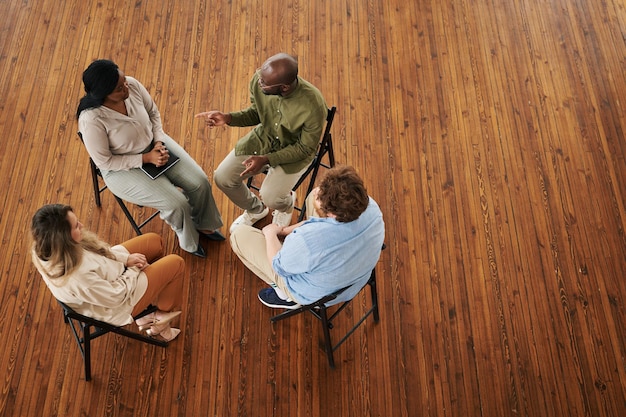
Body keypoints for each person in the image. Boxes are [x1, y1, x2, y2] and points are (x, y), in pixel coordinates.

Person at [77, 59, 223, 258]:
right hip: (122, 167)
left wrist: (158, 143)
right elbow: (104, 162)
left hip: (154, 144)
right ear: (104, 94)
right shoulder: (92, 120)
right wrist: (145, 158)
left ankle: (204, 224)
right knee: (176, 203)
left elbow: (153, 114)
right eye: (119, 88)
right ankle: (189, 241)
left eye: (124, 81)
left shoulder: (132, 85)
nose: (126, 86)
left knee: (200, 182)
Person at [195, 52, 327, 233]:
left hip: (294, 152)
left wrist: (266, 159)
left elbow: (304, 148)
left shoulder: (313, 105)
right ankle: (256, 209)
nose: (259, 82)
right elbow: (257, 113)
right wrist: (228, 118)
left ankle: (285, 205)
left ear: (284, 87)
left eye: (264, 82)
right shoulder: (260, 81)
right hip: (264, 138)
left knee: (271, 196)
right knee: (223, 178)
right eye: (260, 77)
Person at [229, 165, 385, 309]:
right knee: (311, 198)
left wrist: (271, 234)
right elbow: (317, 225)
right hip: (355, 276)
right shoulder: (372, 208)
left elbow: (278, 265)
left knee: (238, 236)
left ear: (332, 214)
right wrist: (283, 230)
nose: (318, 191)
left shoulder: (309, 241)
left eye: (321, 195)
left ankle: (285, 297)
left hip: (314, 293)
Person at [31, 204, 185, 341]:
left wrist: (126, 259)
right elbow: (116, 297)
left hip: (110, 272)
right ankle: (159, 321)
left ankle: (148, 312)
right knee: (177, 264)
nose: (82, 226)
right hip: (120, 301)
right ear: (64, 239)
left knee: (155, 242)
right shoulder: (78, 278)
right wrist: (134, 268)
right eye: (76, 226)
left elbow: (98, 250)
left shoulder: (47, 247)